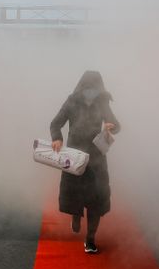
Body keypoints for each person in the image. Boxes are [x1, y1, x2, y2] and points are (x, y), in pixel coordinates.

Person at [50, 71, 120, 254]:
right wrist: (57, 138)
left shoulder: (102, 102)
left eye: (95, 88)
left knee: (96, 198)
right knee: (75, 194)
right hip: (74, 156)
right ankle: (76, 215)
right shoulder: (72, 101)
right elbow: (55, 123)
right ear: (82, 87)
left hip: (96, 158)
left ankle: (90, 239)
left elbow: (116, 125)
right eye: (88, 87)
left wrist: (110, 126)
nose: (91, 92)